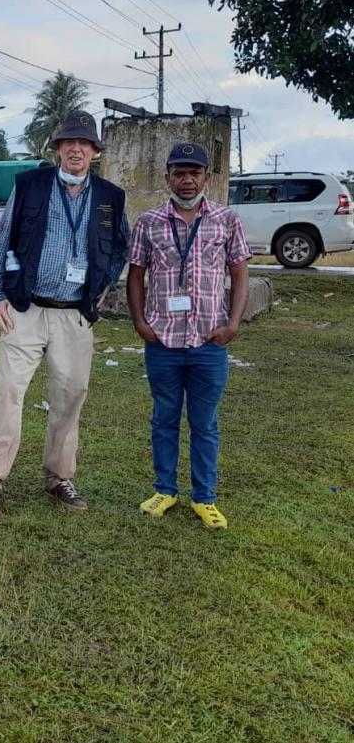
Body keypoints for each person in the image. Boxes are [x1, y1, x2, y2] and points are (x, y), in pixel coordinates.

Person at [0, 109, 129, 521]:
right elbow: (3, 238)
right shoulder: (31, 185)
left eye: (84, 144)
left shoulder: (111, 197)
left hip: (74, 314)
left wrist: (104, 284)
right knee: (9, 393)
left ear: (95, 151)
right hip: (26, 309)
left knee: (70, 396)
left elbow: (121, 247)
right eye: (68, 142)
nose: (76, 149)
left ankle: (59, 476)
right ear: (58, 148)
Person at [126, 142, 251, 529]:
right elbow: (136, 275)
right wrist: (140, 322)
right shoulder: (149, 222)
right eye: (179, 173)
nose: (186, 180)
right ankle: (165, 490)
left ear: (206, 177)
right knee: (163, 419)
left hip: (208, 342)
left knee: (204, 423)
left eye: (194, 173)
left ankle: (204, 497)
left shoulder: (226, 220)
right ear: (167, 177)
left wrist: (233, 324)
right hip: (162, 341)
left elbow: (240, 274)